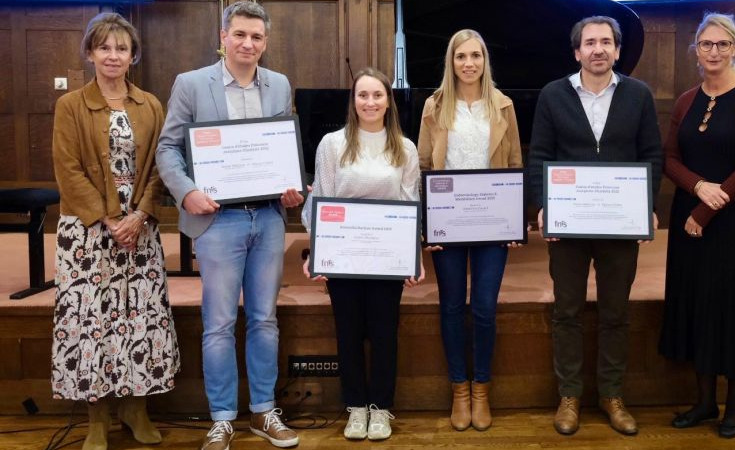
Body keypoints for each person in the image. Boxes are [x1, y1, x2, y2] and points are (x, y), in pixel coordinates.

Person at [155, 2, 303, 449]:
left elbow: (282, 150)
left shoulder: (278, 85)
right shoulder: (191, 84)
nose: (248, 44)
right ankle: (221, 416)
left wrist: (291, 187)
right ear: (223, 37)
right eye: (239, 35)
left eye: (257, 37)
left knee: (264, 320)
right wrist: (187, 192)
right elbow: (167, 149)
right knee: (218, 323)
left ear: (266, 42)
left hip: (268, 219)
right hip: (217, 220)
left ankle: (262, 411)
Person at [50, 12, 180, 450]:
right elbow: (67, 170)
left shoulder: (151, 105)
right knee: (92, 323)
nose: (113, 55)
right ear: (90, 53)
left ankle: (136, 410)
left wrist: (139, 216)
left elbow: (162, 167)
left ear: (133, 55)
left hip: (139, 231)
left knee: (139, 321)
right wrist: (109, 219)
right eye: (104, 47)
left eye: (121, 48)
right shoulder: (70, 106)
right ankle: (97, 418)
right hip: (87, 234)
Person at [528, 16, 662, 436]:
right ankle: (569, 395)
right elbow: (539, 156)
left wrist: (646, 206)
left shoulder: (639, 95)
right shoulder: (553, 94)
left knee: (615, 312)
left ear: (618, 51)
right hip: (568, 225)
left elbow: (653, 155)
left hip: (620, 225)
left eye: (606, 42)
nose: (598, 49)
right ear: (577, 51)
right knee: (566, 312)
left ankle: (611, 394)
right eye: (590, 43)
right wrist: (543, 205)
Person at [658, 12, 735, 439]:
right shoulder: (687, 99)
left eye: (722, 44)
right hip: (690, 219)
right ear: (695, 50)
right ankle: (705, 401)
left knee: (732, 309)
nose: (713, 52)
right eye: (706, 45)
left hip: (734, 221)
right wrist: (697, 187)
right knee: (698, 306)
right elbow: (670, 157)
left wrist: (706, 207)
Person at [301, 67, 424, 441]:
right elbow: (319, 198)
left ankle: (381, 408)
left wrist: (413, 255)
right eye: (362, 95)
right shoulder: (332, 144)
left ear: (388, 101)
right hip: (345, 255)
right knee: (348, 333)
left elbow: (411, 202)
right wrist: (316, 253)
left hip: (387, 257)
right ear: (353, 101)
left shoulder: (405, 147)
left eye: (377, 95)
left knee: (385, 334)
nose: (370, 102)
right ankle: (355, 407)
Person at [417, 29, 523, 432]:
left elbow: (514, 162)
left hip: (493, 223)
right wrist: (429, 225)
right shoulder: (434, 106)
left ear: (484, 60)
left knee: (483, 308)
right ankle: (458, 389)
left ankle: (482, 389)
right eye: (461, 56)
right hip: (449, 222)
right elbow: (425, 166)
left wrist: (514, 219)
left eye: (475, 55)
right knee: (450, 307)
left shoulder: (503, 106)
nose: (469, 63)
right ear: (451, 61)